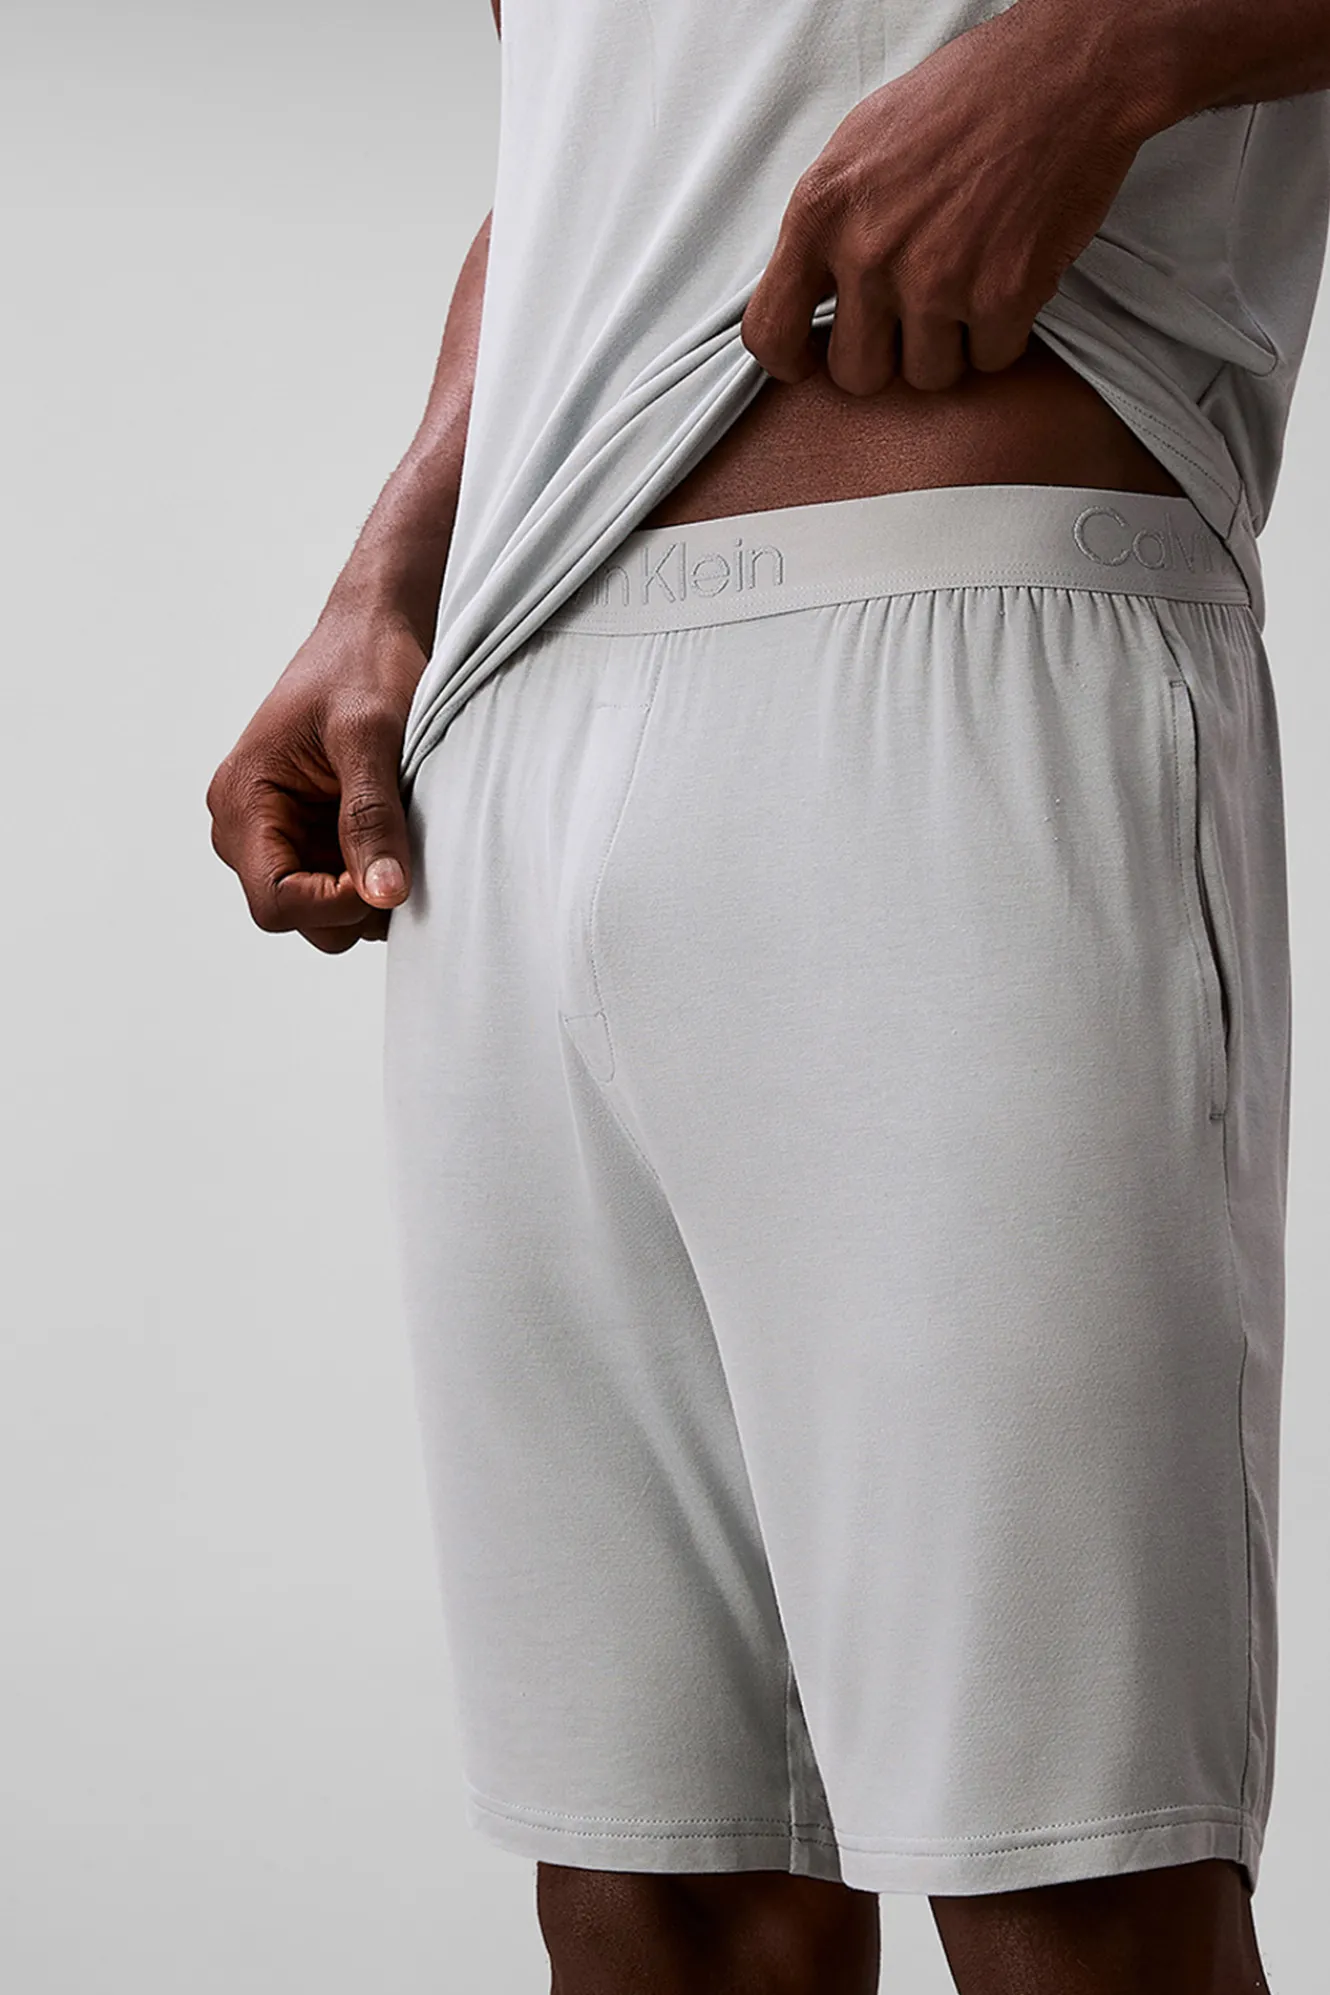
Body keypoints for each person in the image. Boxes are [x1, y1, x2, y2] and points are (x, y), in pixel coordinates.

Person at [206, 0, 1330, 1987]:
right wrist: (391, 566)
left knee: (1068, 1880)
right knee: (661, 1894)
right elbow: (586, 136)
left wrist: (1102, 56)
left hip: (956, 643)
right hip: (507, 719)